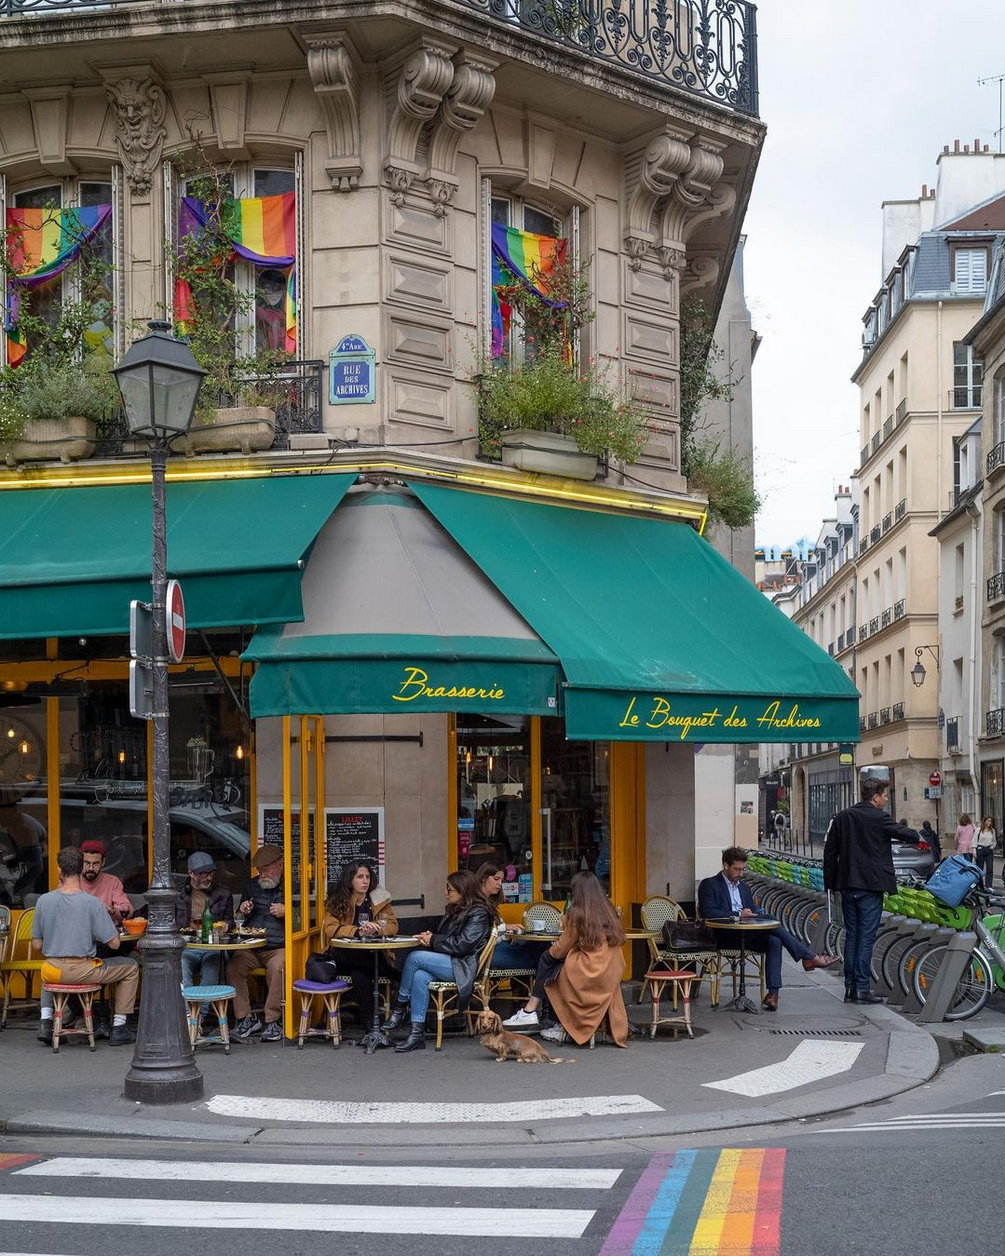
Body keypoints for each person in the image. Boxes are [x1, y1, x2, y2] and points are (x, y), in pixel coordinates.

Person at [698, 846, 839, 1011]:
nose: (741, 874)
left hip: (747, 934)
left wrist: (751, 914)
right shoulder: (710, 885)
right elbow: (709, 913)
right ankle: (808, 957)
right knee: (771, 919)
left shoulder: (744, 887)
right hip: (724, 935)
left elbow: (751, 911)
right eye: (737, 869)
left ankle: (773, 994)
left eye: (743, 869)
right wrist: (738, 914)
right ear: (725, 866)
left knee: (774, 940)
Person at [502, 871, 630, 1046]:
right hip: (611, 971)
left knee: (548, 960)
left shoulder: (579, 913)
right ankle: (533, 1012)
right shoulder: (608, 910)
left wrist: (559, 935)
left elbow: (560, 949)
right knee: (554, 965)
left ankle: (532, 1011)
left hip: (590, 971)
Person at [824, 775, 920, 1005]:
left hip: (847, 886)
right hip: (870, 886)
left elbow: (830, 852)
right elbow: (906, 834)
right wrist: (917, 835)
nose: (887, 798)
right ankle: (862, 989)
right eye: (885, 795)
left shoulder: (843, 817)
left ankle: (850, 988)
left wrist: (831, 885)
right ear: (875, 797)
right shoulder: (879, 818)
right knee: (866, 939)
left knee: (852, 936)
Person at [31, 846, 138, 1045]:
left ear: (59, 870)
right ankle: (119, 1027)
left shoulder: (43, 901)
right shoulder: (92, 903)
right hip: (82, 970)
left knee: (47, 968)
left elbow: (37, 945)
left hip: (53, 970)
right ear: (80, 869)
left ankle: (46, 1022)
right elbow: (114, 944)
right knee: (130, 966)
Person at [381, 869, 493, 1053]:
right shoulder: (458, 910)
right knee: (420, 976)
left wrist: (433, 940)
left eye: (449, 890)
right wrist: (431, 937)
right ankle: (416, 1034)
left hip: (463, 967)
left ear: (463, 891)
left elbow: (462, 946)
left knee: (415, 957)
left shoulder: (478, 913)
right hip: (454, 961)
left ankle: (399, 1010)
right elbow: (449, 939)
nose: (445, 893)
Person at [315, 861, 397, 1024]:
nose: (365, 881)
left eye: (367, 877)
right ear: (350, 880)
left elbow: (393, 926)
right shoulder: (338, 900)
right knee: (364, 961)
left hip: (369, 956)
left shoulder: (380, 901)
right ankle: (395, 976)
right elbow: (330, 928)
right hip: (343, 956)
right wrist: (357, 931)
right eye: (360, 877)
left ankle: (369, 1026)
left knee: (360, 974)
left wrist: (377, 929)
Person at [228, 843, 286, 1043]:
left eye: (266, 868)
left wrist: (288, 912)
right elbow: (237, 919)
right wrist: (243, 910)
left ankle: (273, 1021)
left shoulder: (293, 887)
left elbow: (304, 922)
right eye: (259, 870)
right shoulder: (252, 886)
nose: (262, 874)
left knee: (277, 968)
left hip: (279, 946)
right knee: (234, 966)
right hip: (253, 946)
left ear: (280, 864)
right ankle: (245, 1018)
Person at [175, 851, 234, 993]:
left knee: (211, 973)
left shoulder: (223, 893)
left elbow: (230, 920)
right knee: (182, 967)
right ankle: (188, 1013)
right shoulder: (178, 894)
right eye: (203, 874)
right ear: (191, 873)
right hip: (187, 946)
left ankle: (200, 1014)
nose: (208, 877)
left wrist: (226, 925)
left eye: (211, 873)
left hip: (213, 946)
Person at [475, 862, 537, 969]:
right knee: (536, 957)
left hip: (495, 948)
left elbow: (496, 933)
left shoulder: (489, 903)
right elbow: (478, 932)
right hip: (485, 953)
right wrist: (505, 928)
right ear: (484, 878)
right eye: (496, 879)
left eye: (501, 880)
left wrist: (507, 935)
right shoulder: (475, 904)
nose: (499, 884)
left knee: (536, 946)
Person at [0, 785, 47, 903]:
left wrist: (16, 890)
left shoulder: (25, 829)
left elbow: (37, 867)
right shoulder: (15, 825)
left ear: (7, 811)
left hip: (38, 876)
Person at [79, 840, 132, 924]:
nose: (91, 868)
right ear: (80, 862)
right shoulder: (72, 880)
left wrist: (112, 910)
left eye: (96, 864)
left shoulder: (112, 881)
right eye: (87, 863)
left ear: (103, 862)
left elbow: (128, 910)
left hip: (107, 932)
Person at [974, 817, 998, 889]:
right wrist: (974, 850)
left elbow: (994, 841)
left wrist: (993, 846)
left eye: (990, 821)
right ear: (984, 821)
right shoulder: (978, 830)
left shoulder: (992, 831)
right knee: (980, 868)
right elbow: (974, 840)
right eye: (988, 821)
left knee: (990, 868)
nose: (989, 823)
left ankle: (989, 885)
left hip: (989, 850)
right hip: (980, 849)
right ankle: (979, 885)